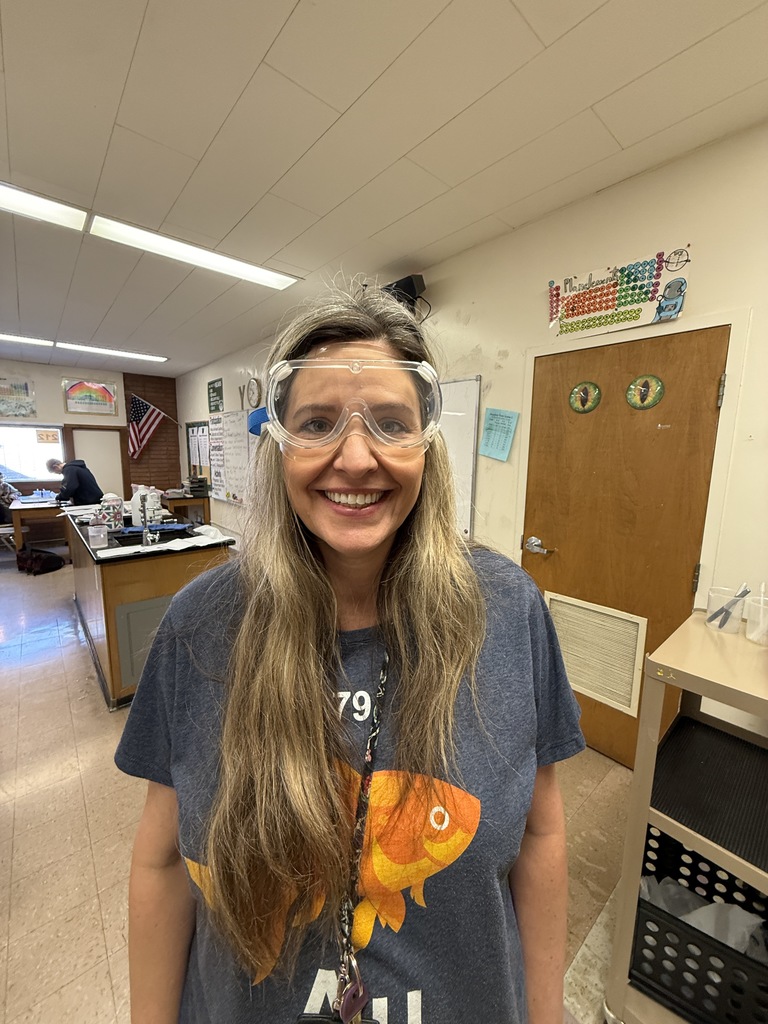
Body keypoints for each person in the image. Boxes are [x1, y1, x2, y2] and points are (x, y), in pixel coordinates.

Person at [115, 282, 585, 1024]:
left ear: (427, 444)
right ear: (280, 446)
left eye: (391, 424)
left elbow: (542, 833)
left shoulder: (507, 611)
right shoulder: (200, 627)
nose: (356, 457)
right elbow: (162, 859)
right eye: (318, 423)